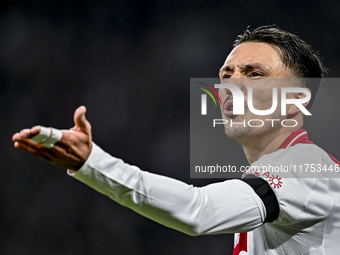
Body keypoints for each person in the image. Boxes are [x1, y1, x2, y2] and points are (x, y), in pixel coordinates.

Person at [12, 25, 340, 254]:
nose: (231, 85)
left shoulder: (305, 167)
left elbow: (199, 211)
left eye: (255, 74)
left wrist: (93, 163)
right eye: (227, 75)